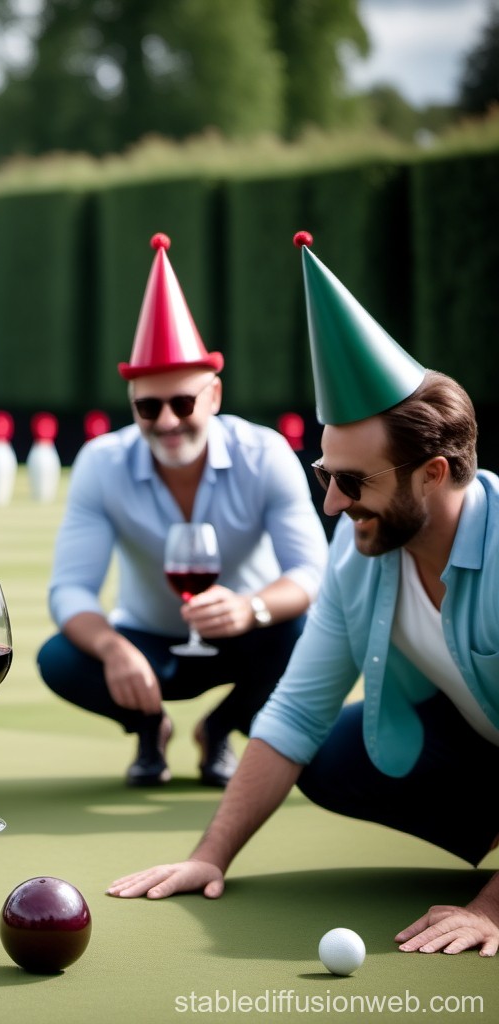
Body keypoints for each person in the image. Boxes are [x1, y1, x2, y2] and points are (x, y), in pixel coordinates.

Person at [107, 232, 499, 959]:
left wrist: (492, 910)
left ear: (434, 474)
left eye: (353, 482)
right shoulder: (361, 550)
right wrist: (210, 855)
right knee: (328, 752)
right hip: (478, 746)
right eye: (325, 474)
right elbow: (294, 710)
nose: (329, 504)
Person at [37, 233, 328, 788]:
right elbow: (69, 590)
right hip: (149, 642)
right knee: (61, 659)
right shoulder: (102, 462)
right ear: (131, 407)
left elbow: (313, 571)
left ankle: (220, 729)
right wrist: (114, 647)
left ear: (214, 398)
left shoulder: (264, 452)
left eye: (183, 402)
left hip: (252, 635)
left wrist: (251, 609)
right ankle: (151, 727)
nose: (167, 421)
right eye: (148, 406)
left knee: (311, 632)